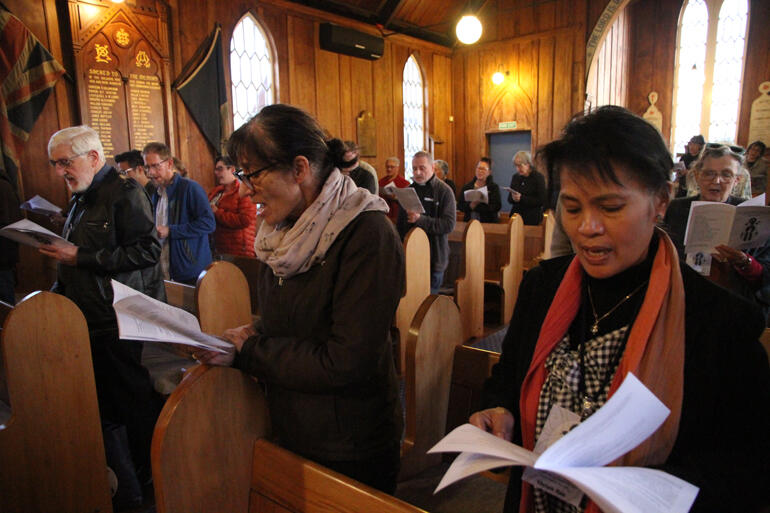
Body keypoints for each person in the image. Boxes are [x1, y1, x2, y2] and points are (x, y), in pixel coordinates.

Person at [470, 106, 770, 513]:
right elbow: (509, 377)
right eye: (572, 208)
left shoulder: (719, 322)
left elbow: (745, 472)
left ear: (660, 201)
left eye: (610, 208)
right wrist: (499, 409)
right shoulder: (543, 287)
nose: (587, 227)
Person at [198, 104, 404, 494]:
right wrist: (253, 329)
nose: (243, 188)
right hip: (291, 424)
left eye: (253, 173)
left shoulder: (366, 234)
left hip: (348, 442)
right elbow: (300, 316)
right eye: (241, 174)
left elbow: (346, 362)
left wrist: (251, 351)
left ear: (300, 168)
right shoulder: (285, 231)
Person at [40, 126, 166, 509]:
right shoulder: (82, 197)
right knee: (105, 405)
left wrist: (79, 257)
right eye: (55, 163)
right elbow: (79, 252)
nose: (61, 170)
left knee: (131, 402)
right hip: (84, 316)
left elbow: (146, 251)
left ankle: (151, 478)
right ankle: (122, 480)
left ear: (93, 158)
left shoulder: (125, 193)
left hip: (116, 317)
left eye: (66, 161)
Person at [665, 145, 770, 320]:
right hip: (683, 299)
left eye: (726, 175)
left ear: (737, 180)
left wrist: (744, 261)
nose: (717, 181)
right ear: (697, 176)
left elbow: (765, 273)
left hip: (734, 304)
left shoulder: (752, 212)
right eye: (709, 173)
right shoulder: (676, 209)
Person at [143, 142, 215, 284]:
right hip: (164, 265)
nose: (150, 173)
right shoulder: (154, 192)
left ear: (169, 164)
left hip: (190, 267)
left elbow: (208, 223)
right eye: (147, 167)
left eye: (155, 166)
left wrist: (171, 231)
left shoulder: (189, 188)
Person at [397, 151, 456, 293]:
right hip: (411, 256)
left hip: (434, 258)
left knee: (427, 305)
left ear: (433, 168)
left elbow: (448, 224)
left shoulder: (444, 191)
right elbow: (400, 226)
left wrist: (420, 220)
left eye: (422, 168)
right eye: (414, 168)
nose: (417, 172)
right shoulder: (407, 191)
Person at [207, 155, 256, 257]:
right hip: (218, 247)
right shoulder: (216, 192)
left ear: (232, 169)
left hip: (238, 250)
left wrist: (218, 212)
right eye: (215, 170)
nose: (216, 173)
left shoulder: (243, 191)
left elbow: (245, 220)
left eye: (220, 169)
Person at [458, 157, 502, 222]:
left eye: (483, 169)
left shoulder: (493, 187)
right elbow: (460, 205)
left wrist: (477, 206)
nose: (480, 171)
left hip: (488, 222)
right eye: (478, 168)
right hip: (470, 222)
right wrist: (470, 205)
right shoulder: (467, 187)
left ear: (489, 172)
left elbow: (497, 206)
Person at [508, 150, 546, 225]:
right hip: (516, 216)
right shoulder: (516, 177)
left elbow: (541, 200)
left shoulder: (538, 177)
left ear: (528, 164)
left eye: (520, 165)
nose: (518, 169)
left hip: (532, 217)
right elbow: (509, 199)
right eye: (516, 166)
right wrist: (514, 198)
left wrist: (521, 198)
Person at [0, 169, 21, 304]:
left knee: (5, 307)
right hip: (4, 253)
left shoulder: (2, 186)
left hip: (2, 255)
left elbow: (5, 221)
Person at [378, 156, 409, 223]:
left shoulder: (405, 183)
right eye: (387, 167)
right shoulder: (380, 182)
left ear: (397, 168)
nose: (389, 169)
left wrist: (396, 198)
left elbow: (408, 202)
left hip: (398, 218)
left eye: (392, 167)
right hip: (383, 217)